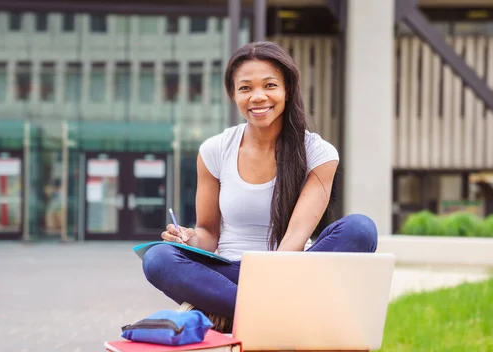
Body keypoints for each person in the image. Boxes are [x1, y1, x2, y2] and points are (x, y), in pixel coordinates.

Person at [142, 41, 378, 333]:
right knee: (158, 258)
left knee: (360, 229)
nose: (258, 97)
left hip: (290, 270)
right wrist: (188, 239)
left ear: (287, 90)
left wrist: (270, 282)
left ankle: (237, 313)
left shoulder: (319, 153)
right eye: (245, 88)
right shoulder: (215, 150)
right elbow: (209, 234)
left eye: (269, 85)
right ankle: (282, 316)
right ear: (233, 94)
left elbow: (294, 238)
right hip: (227, 275)